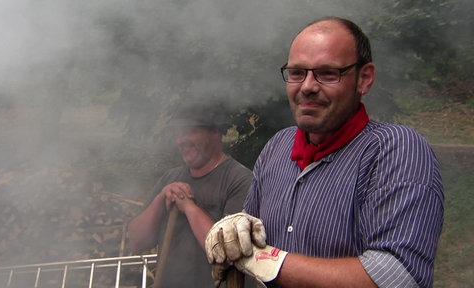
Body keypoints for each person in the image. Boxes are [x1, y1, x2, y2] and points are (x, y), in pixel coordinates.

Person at [205, 16, 444, 288]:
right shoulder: (277, 147)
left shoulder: (396, 150)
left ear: (364, 79)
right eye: (297, 73)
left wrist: (269, 262)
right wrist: (238, 225)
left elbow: (397, 275)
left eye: (328, 73)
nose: (307, 86)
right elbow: (252, 231)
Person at [128, 100, 253, 288]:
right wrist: (161, 199)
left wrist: (189, 207)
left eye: (190, 131)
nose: (180, 140)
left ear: (215, 132)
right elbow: (137, 242)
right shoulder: (170, 178)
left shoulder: (240, 181)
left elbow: (226, 252)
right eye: (178, 133)